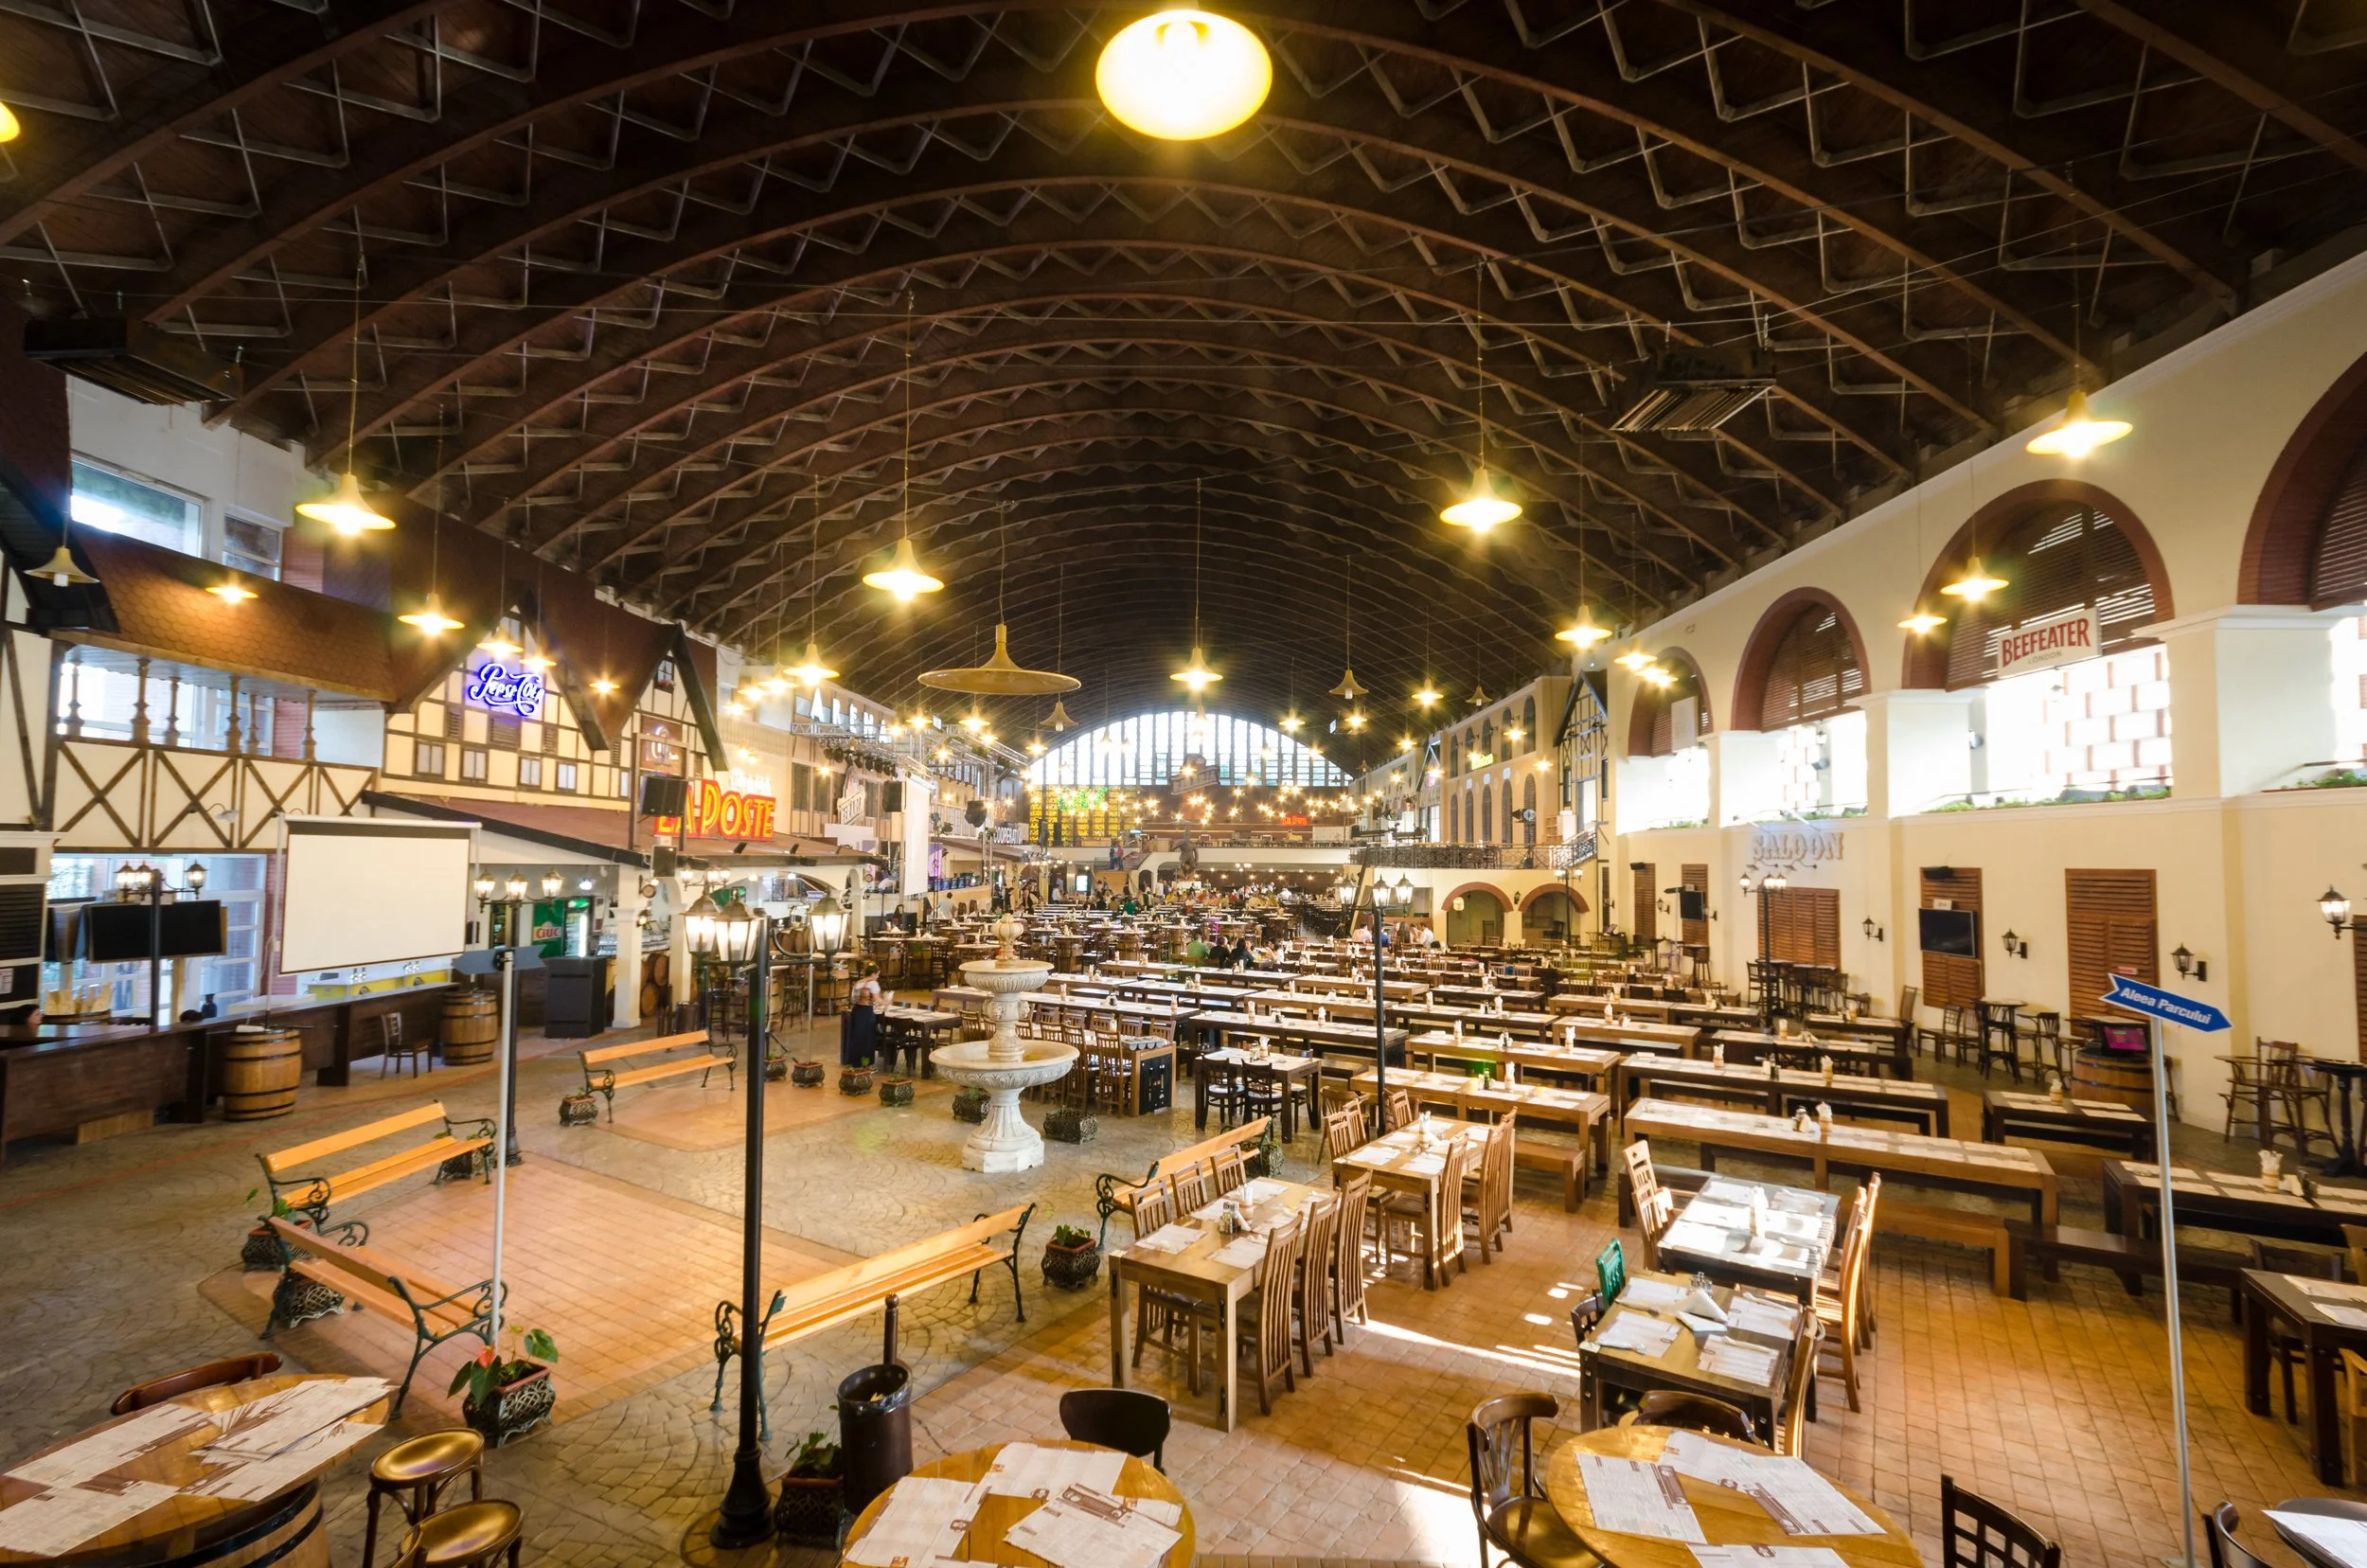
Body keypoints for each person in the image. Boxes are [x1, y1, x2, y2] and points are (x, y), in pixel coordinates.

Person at [841, 961, 883, 1066]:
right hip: (867, 1012)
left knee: (857, 1036)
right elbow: (878, 1000)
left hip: (857, 1010)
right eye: (877, 974)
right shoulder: (873, 983)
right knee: (867, 1038)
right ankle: (865, 1063)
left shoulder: (858, 983)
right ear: (873, 974)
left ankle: (855, 1062)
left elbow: (853, 999)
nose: (877, 977)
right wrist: (888, 1000)